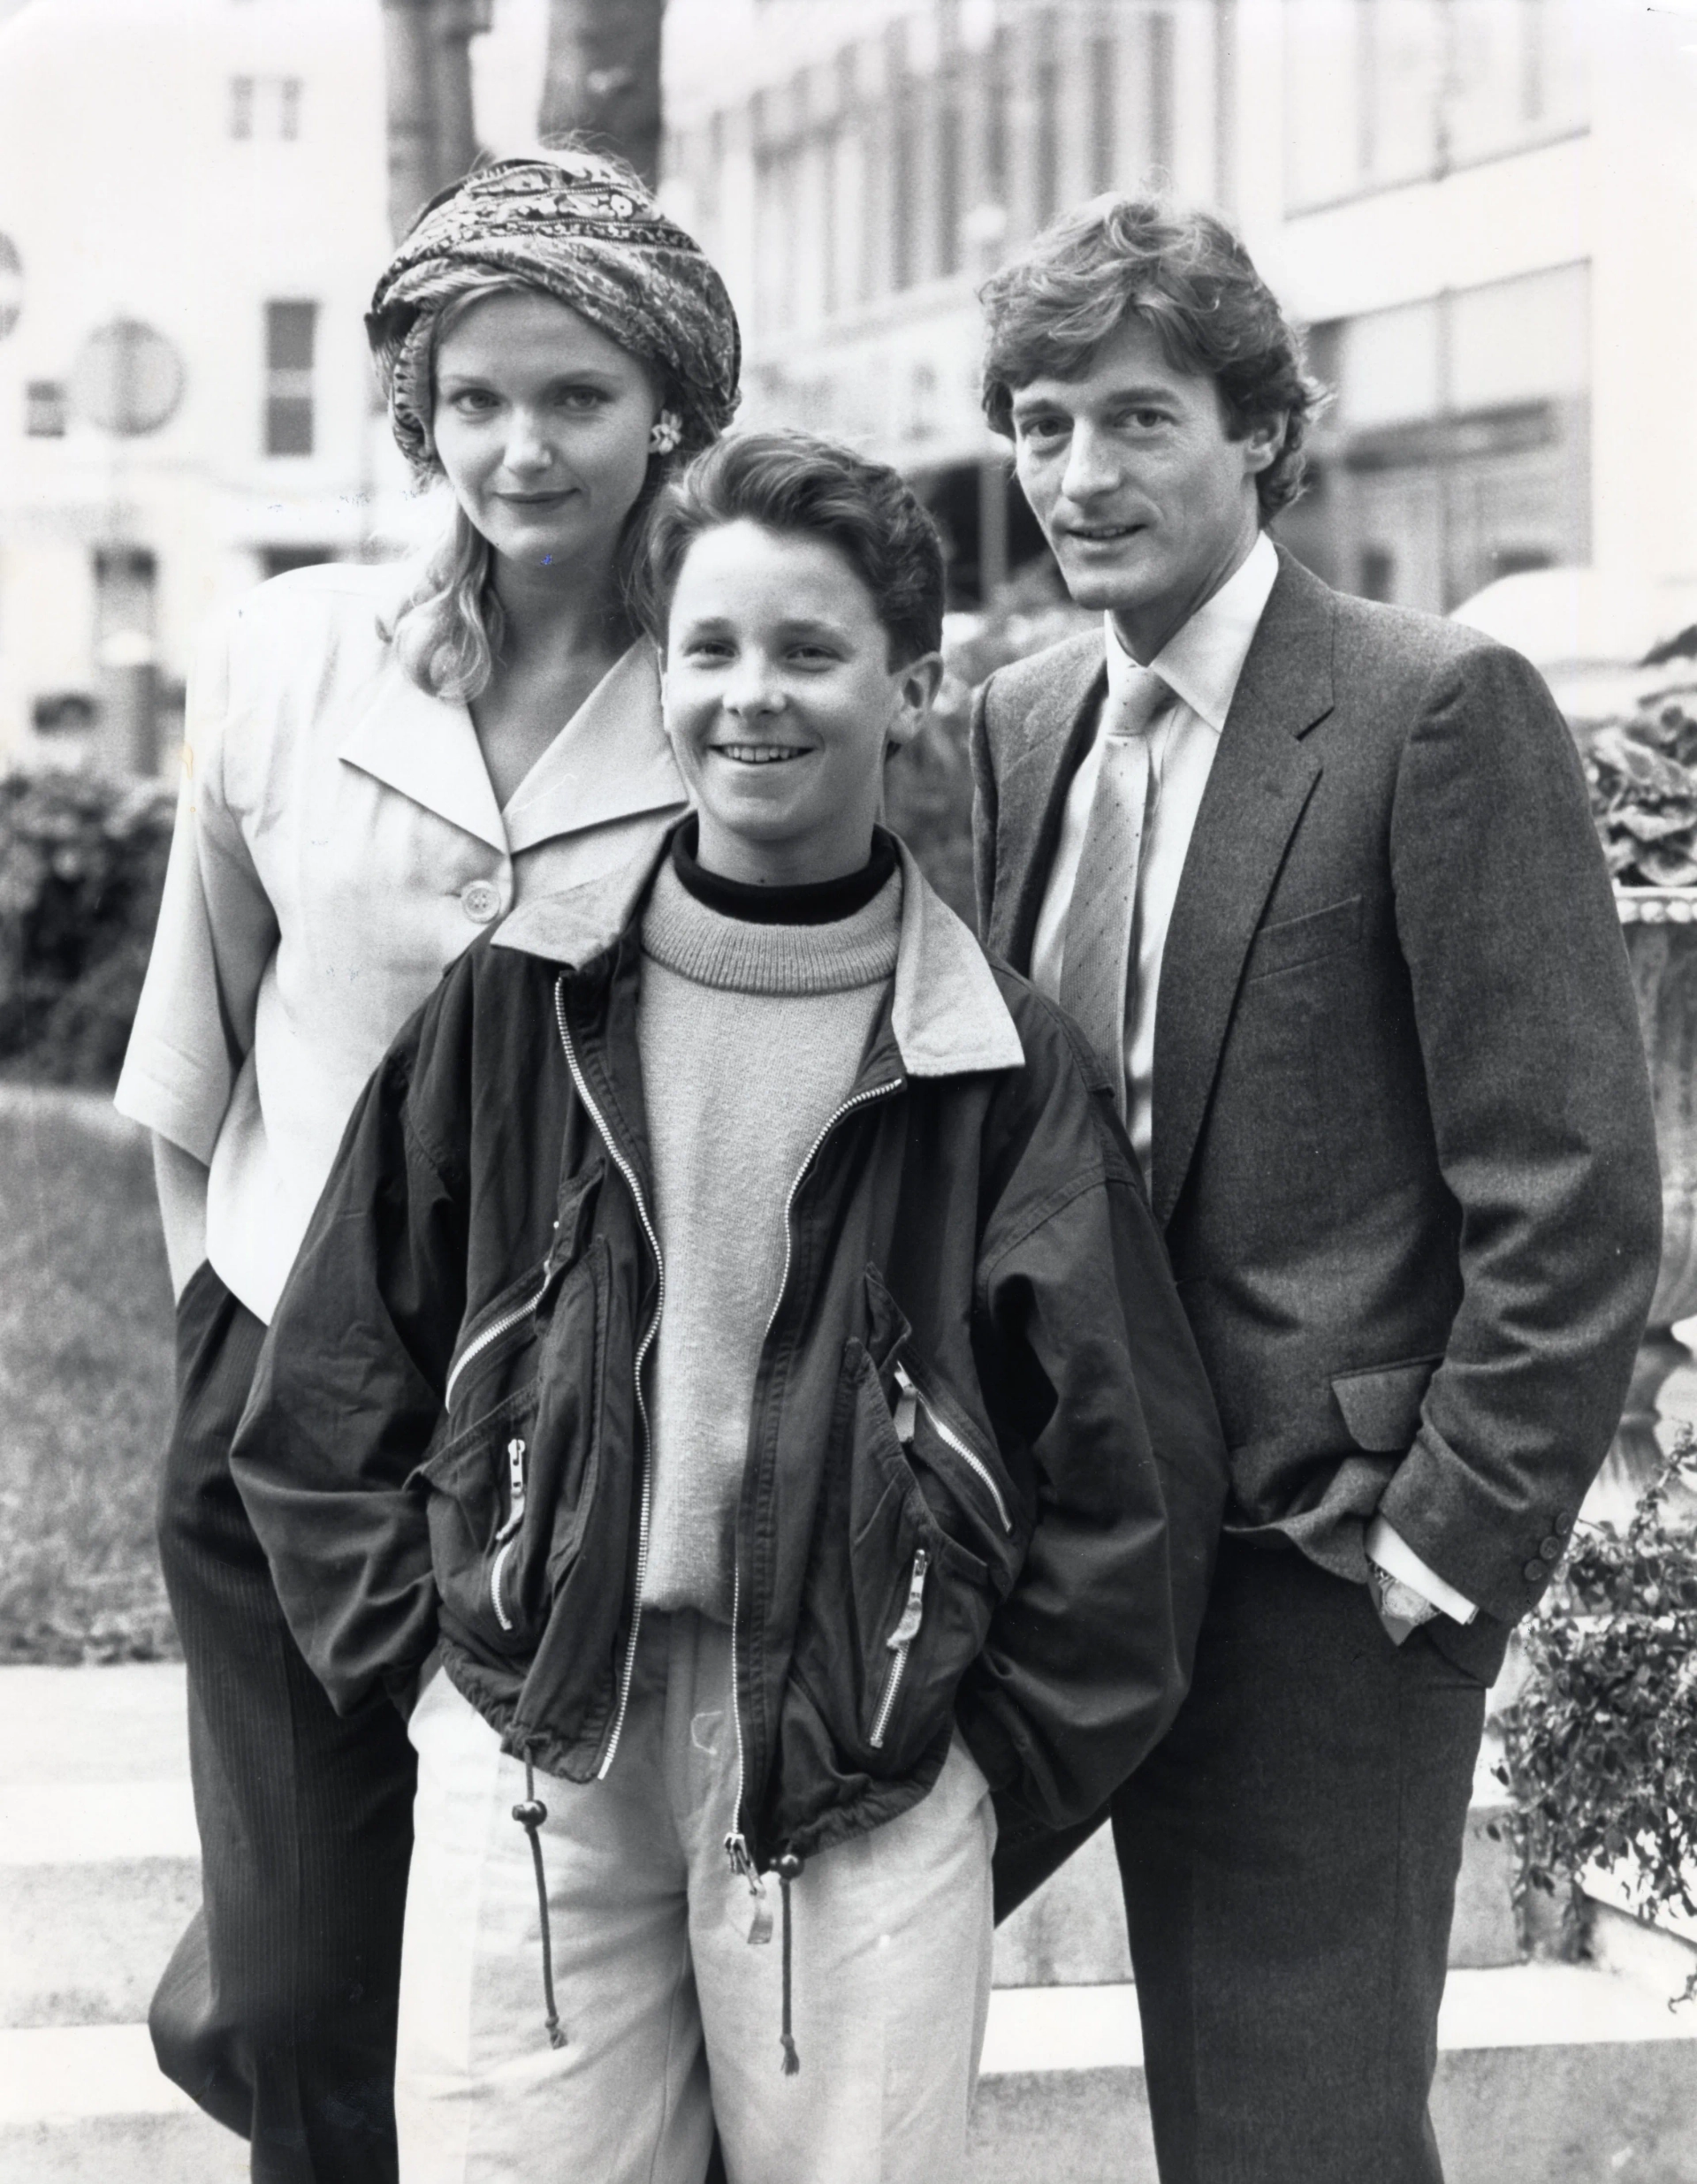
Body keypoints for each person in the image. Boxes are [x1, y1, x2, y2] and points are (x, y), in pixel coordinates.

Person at [226, 430, 1230, 2184]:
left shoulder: (996, 1061)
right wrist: (440, 1687)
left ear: (909, 685)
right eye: (708, 648)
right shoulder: (520, 998)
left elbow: (1133, 1475)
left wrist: (972, 1761)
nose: (750, 697)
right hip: (538, 1744)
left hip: (864, 1766)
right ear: (659, 671)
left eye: (810, 650)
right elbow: (329, 1378)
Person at [969, 195, 1663, 2184]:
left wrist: (1446, 1544)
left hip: (1324, 1572)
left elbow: (1574, 1181)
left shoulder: (1435, 706)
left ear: (1263, 428)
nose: (1080, 476)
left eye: (1137, 419)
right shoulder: (1024, 725)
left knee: (1299, 2138)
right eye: (1039, 424)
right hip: (1074, 1549)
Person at [113, 149, 741, 2183]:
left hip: (590, 1428)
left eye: (572, 394)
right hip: (283, 1401)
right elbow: (195, 1035)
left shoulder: (740, 677)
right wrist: (211, 1331)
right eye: (473, 397)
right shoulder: (289, 653)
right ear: (416, 411)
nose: (519, 444)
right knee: (302, 1989)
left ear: (668, 408)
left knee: (559, 1969)